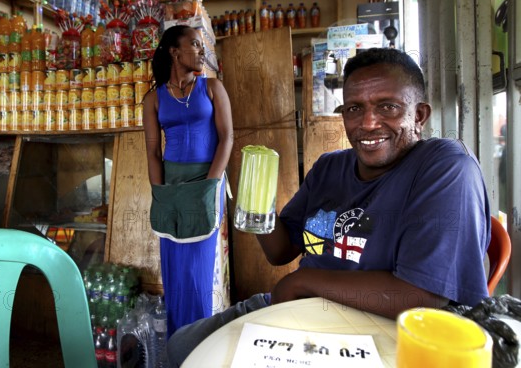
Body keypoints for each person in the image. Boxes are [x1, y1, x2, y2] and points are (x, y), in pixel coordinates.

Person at [167, 47, 491, 365]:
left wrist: (300, 282)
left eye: (388, 107)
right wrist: (258, 207)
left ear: (419, 115)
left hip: (379, 330)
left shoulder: (444, 167)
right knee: (181, 345)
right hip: (301, 312)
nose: (368, 123)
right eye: (353, 109)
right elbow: (281, 251)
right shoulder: (329, 168)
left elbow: (421, 295)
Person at [143, 25, 233, 337]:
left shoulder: (211, 87)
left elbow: (227, 139)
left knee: (198, 269)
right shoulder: (154, 99)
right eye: (195, 44)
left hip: (206, 184)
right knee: (175, 269)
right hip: (172, 189)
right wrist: (160, 194)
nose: (202, 50)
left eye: (202, 44)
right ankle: (177, 342)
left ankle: (199, 339)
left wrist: (210, 185)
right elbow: (153, 152)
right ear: (174, 51)